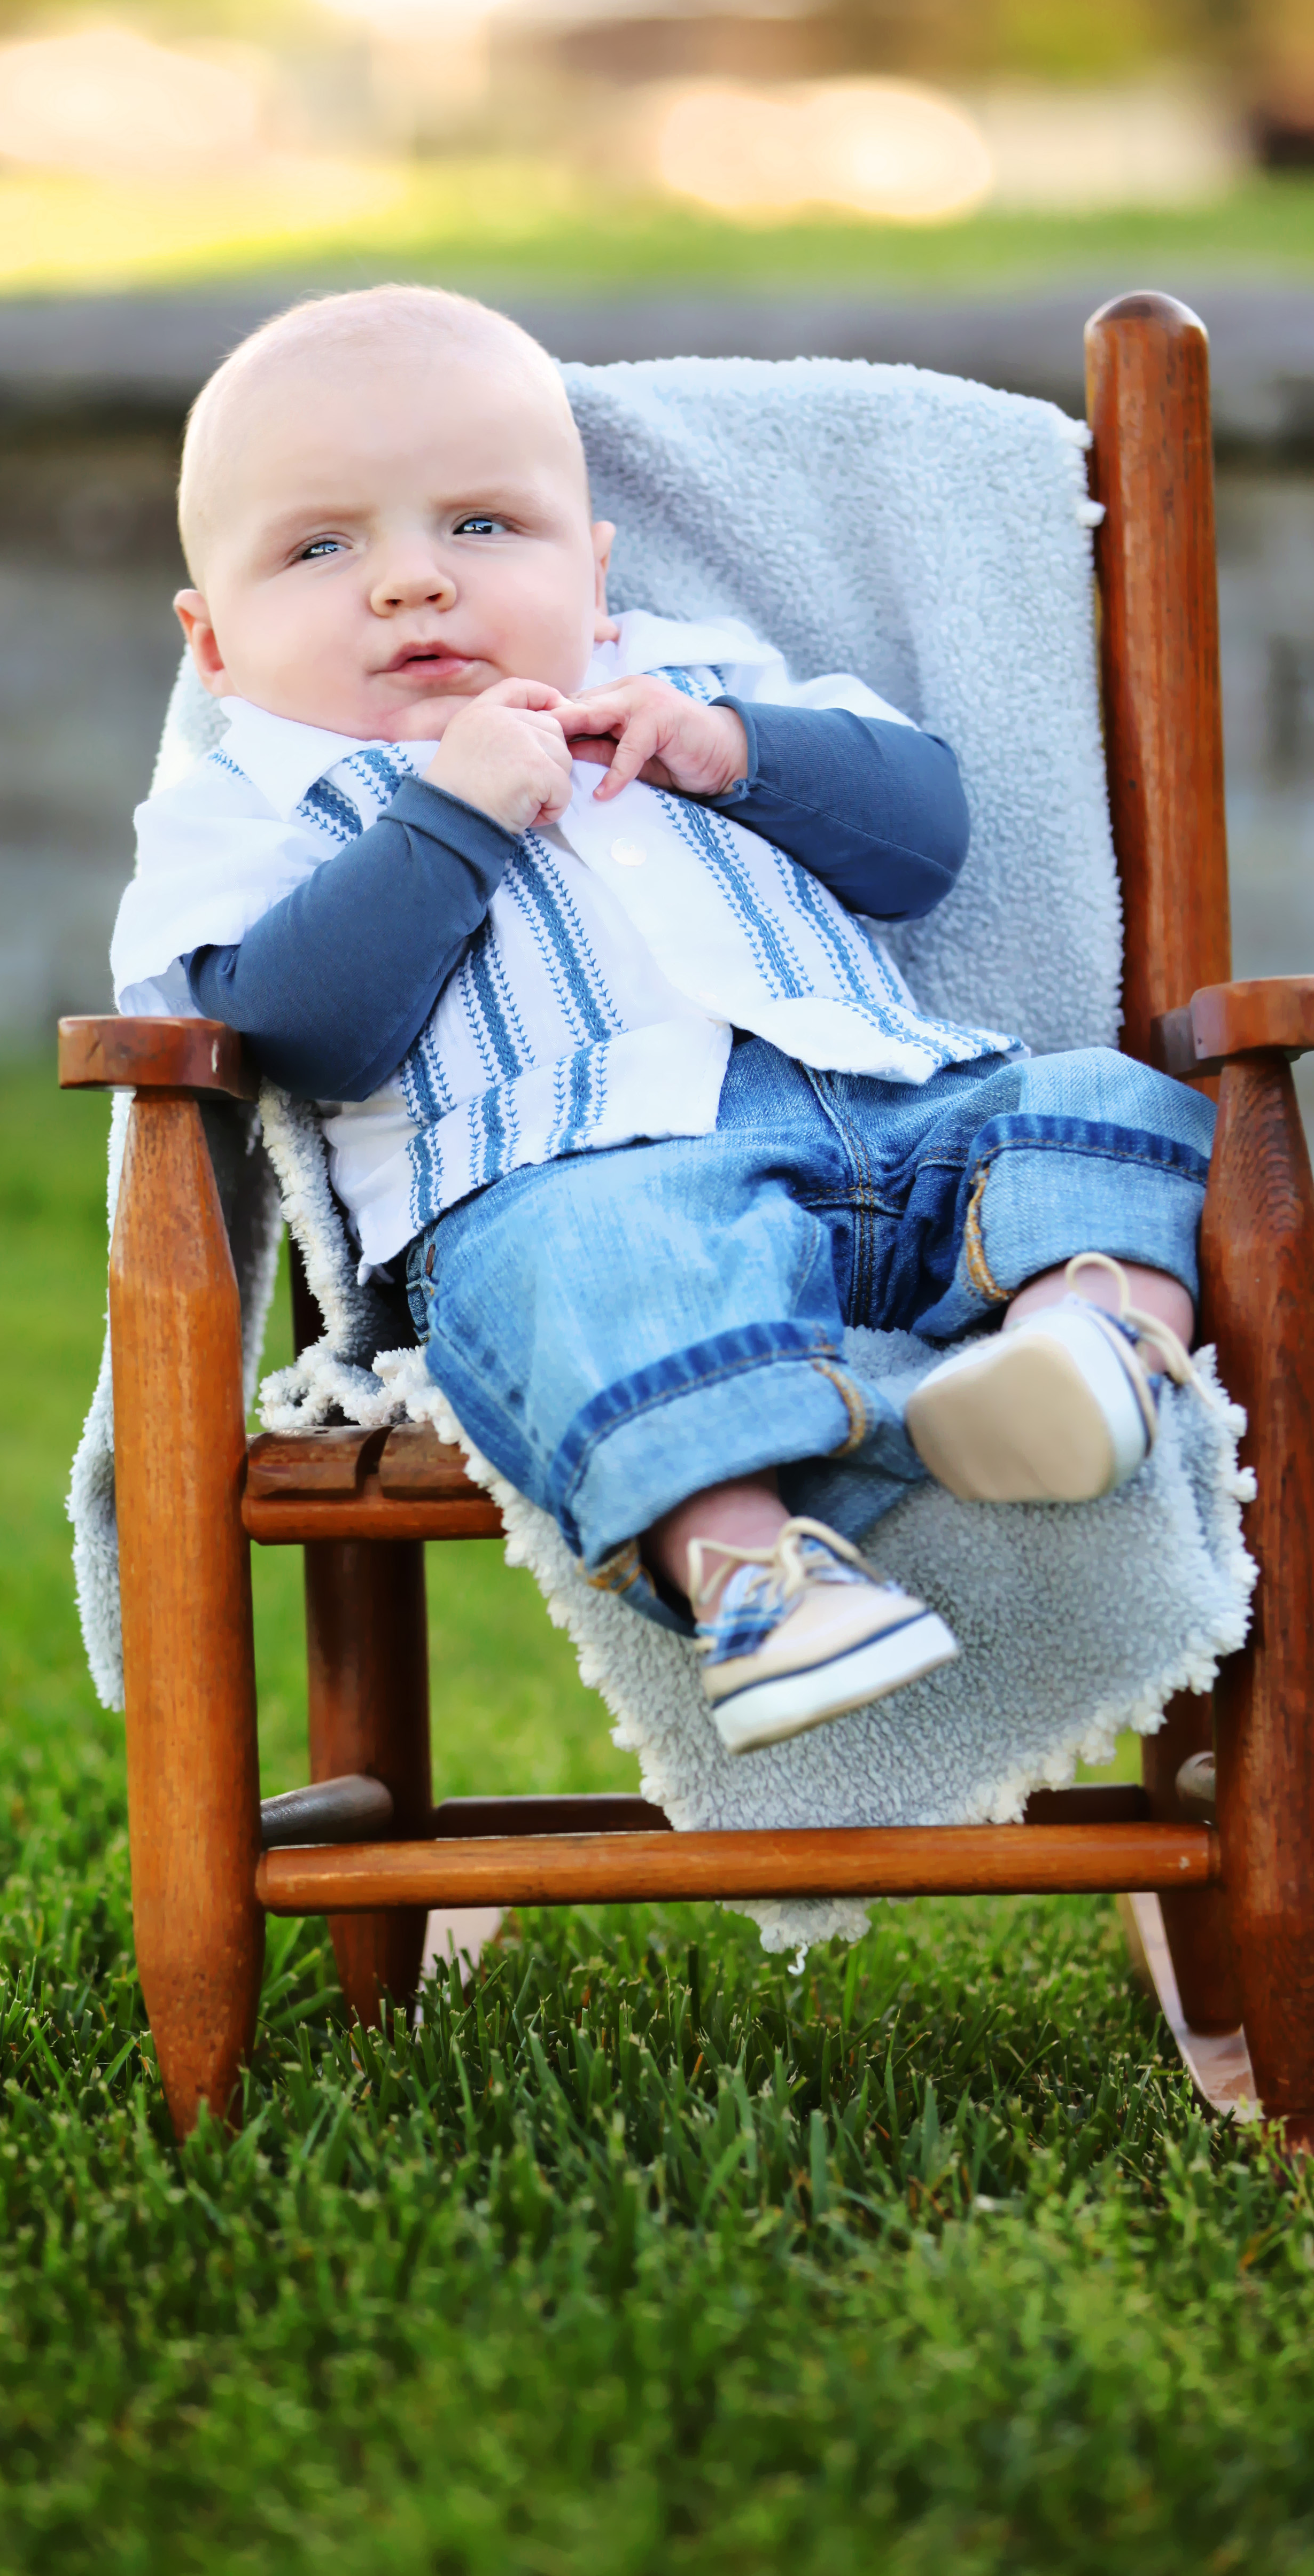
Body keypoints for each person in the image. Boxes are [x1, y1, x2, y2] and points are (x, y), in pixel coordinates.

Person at [110, 286, 1216, 1757]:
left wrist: (733, 751)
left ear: (594, 563)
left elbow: (924, 841)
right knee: (579, 1273)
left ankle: (1087, 1346)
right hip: (583, 1184)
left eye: (483, 525)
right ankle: (759, 1581)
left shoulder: (696, 675)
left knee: (1094, 1099)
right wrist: (453, 816)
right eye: (321, 549)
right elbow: (299, 1037)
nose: (412, 583)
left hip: (898, 1123)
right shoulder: (254, 796)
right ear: (213, 642)